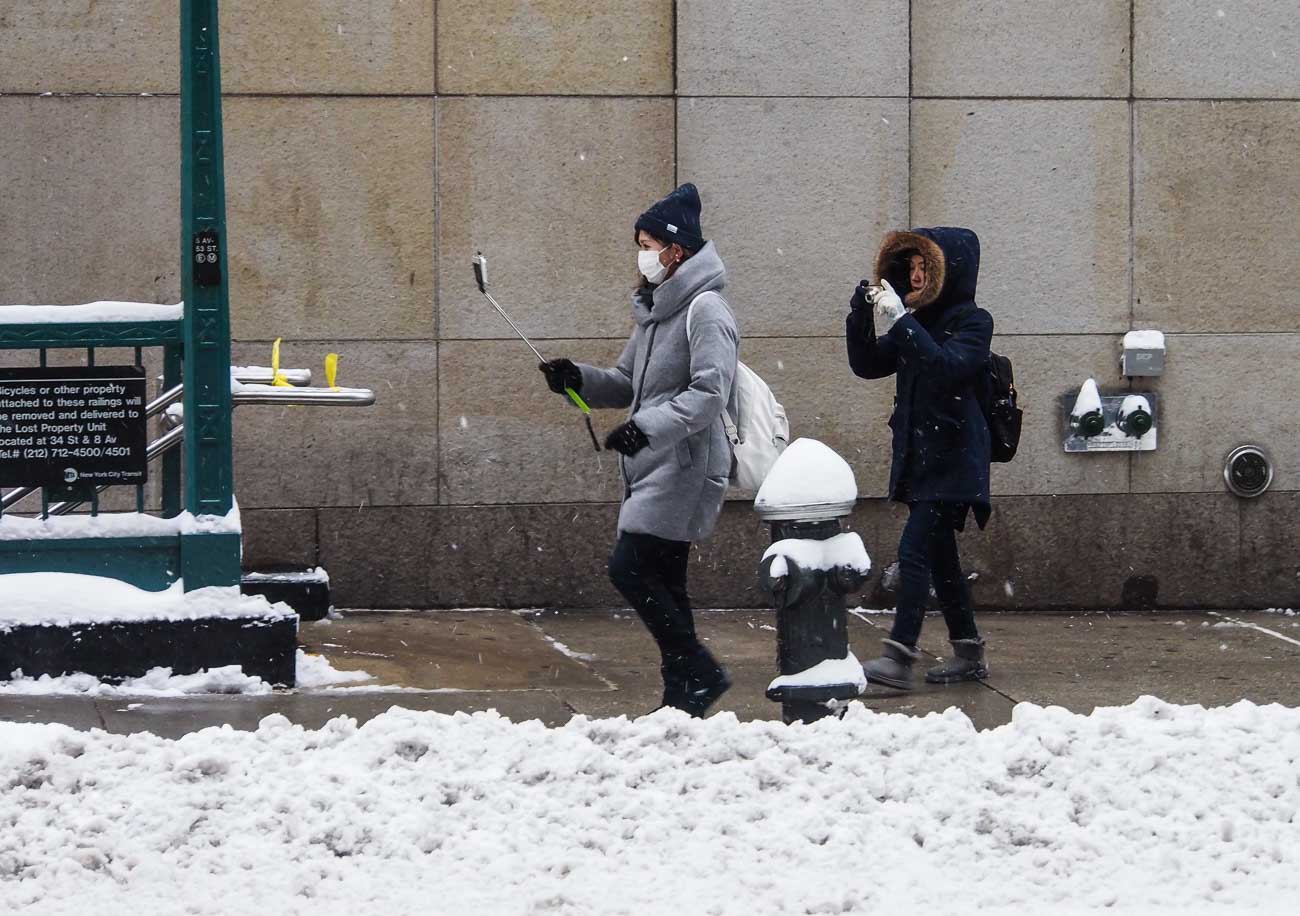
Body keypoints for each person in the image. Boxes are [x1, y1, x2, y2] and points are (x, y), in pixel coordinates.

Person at [539, 183, 739, 716]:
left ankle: (699, 669)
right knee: (667, 579)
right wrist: (574, 378)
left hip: (684, 464)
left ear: (677, 250)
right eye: (641, 243)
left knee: (629, 566)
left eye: (649, 243)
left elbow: (710, 392)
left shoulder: (706, 309)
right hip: (654, 461)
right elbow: (628, 381)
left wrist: (647, 429)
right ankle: (685, 697)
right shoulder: (657, 309)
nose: (643, 254)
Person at [845, 227, 993, 690]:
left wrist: (902, 322)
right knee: (942, 559)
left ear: (949, 272)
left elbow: (947, 369)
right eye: (910, 267)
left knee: (914, 553)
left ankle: (899, 655)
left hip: (954, 459)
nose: (915, 275)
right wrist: (861, 314)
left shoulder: (974, 321)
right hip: (921, 457)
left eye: (924, 268)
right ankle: (968, 651)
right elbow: (868, 364)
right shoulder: (919, 321)